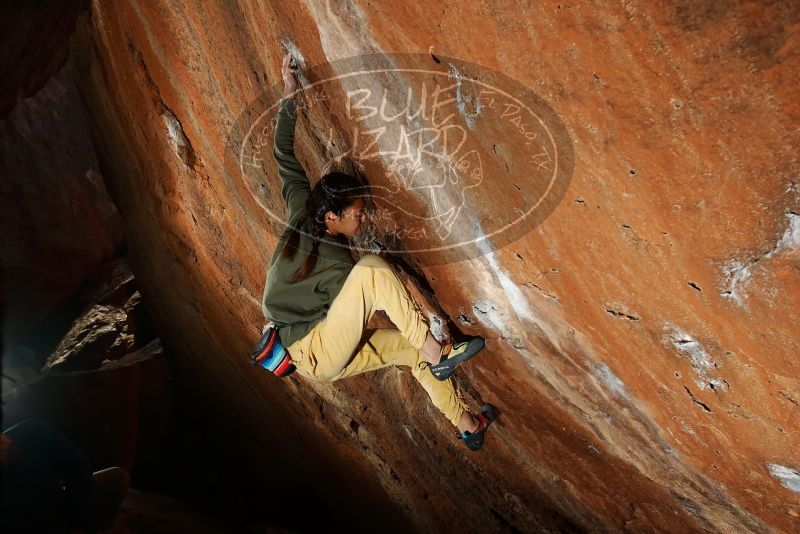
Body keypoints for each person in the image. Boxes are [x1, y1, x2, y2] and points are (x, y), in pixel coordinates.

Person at [260, 53, 496, 451]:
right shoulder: (337, 264)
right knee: (371, 270)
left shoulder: (305, 207)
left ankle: (469, 426)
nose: (362, 217)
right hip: (314, 350)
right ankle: (437, 352)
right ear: (332, 216)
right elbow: (370, 303)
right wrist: (426, 319)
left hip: (322, 342)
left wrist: (290, 92)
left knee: (411, 349)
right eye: (356, 212)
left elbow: (284, 153)